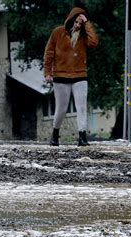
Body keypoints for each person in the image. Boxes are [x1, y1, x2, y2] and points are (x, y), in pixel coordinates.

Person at [44, 7, 99, 146]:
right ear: (71, 19)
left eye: (80, 23)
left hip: (80, 75)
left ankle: (82, 137)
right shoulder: (58, 32)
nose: (78, 25)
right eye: (76, 22)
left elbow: (94, 42)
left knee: (81, 107)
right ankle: (55, 135)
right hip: (60, 77)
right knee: (61, 109)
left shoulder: (83, 36)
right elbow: (49, 52)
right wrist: (47, 72)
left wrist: (87, 23)